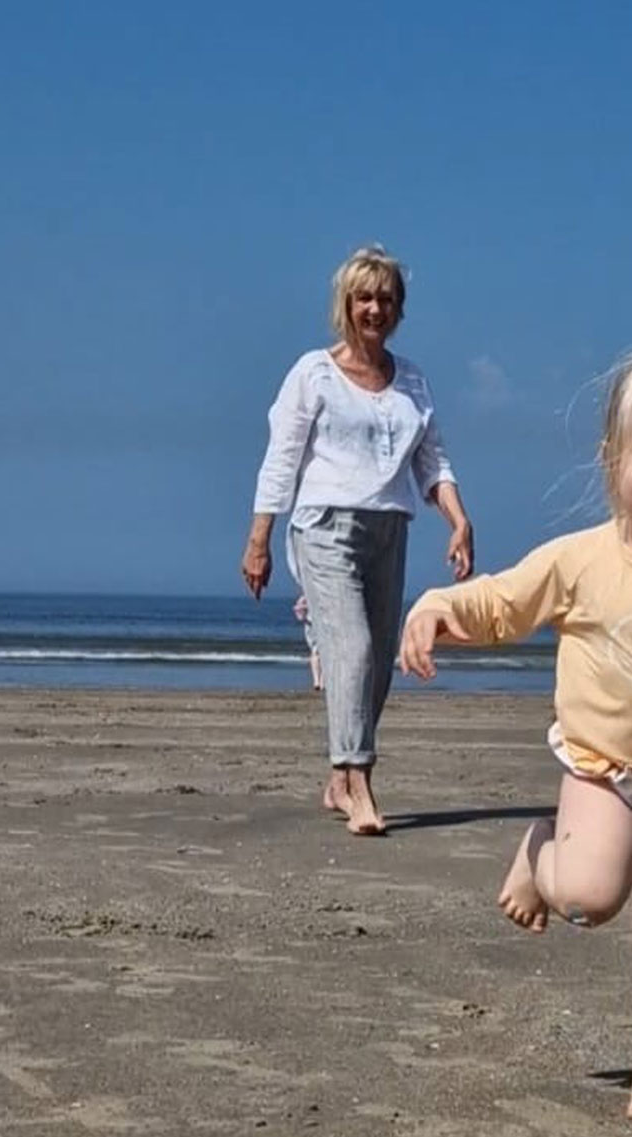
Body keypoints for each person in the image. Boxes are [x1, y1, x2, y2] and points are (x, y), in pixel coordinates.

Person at [400, 357, 632, 952]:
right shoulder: (580, 562)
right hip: (606, 768)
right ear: (613, 459)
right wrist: (437, 611)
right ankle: (542, 852)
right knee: (587, 898)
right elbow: (504, 602)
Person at [241, 245, 473, 835]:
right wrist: (259, 539)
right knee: (355, 650)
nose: (375, 308)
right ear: (346, 304)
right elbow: (281, 460)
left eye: (386, 298)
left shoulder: (412, 380)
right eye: (364, 297)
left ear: (398, 308)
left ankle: (338, 776)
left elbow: (432, 461)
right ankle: (360, 784)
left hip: (389, 529)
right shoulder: (313, 372)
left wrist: (458, 520)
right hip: (324, 528)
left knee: (378, 669)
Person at [293, 594, 324, 690]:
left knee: (319, 654)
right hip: (314, 627)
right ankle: (318, 681)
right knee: (317, 653)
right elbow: (299, 612)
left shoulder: (307, 596)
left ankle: (320, 681)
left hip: (318, 626)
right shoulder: (306, 596)